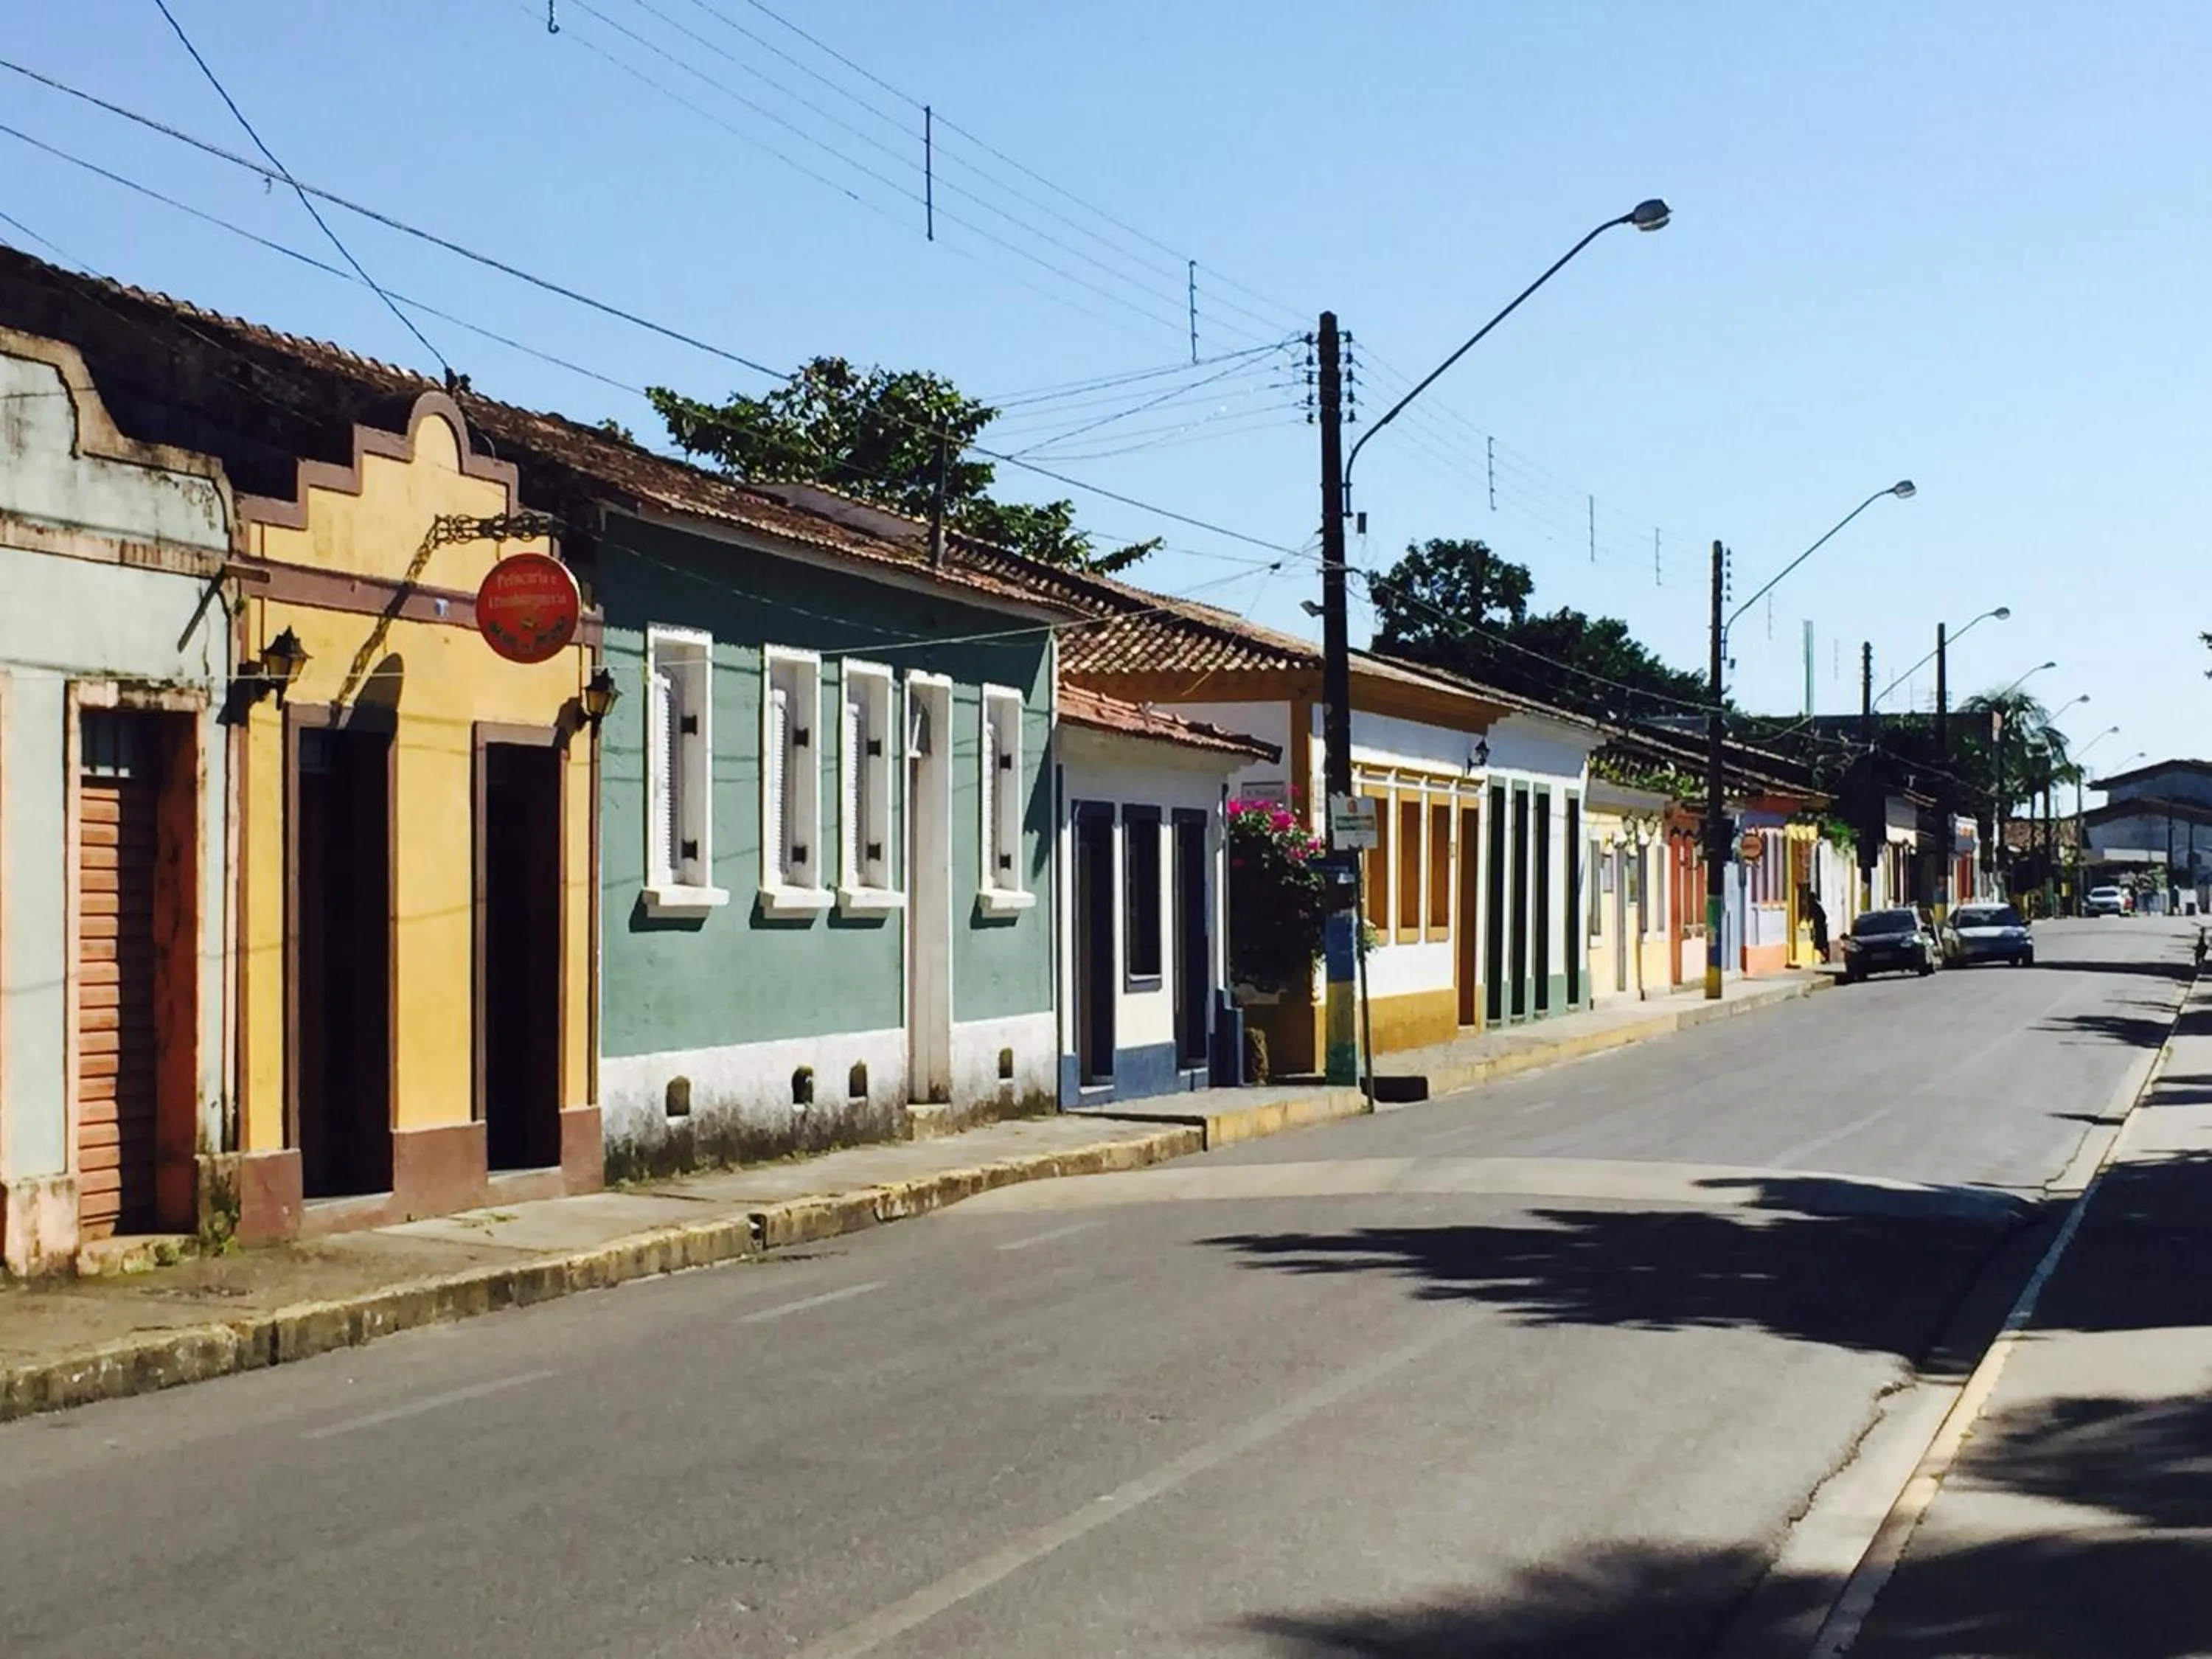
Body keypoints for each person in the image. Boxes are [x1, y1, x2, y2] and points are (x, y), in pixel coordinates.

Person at [1804, 886, 1830, 962]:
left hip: (1820, 927)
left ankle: (1825, 957)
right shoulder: (1816, 905)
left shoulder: (1815, 906)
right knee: (1821, 943)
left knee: (1821, 943)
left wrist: (1816, 921)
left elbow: (1822, 916)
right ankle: (1824, 957)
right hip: (1820, 926)